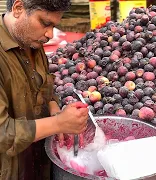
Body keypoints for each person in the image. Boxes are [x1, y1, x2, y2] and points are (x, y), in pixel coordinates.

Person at [0, 0, 89, 179]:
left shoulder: (33, 42)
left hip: (39, 163)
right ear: (18, 8)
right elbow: (2, 133)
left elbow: (45, 88)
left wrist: (55, 110)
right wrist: (58, 124)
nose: (49, 34)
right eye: (45, 23)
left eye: (54, 26)